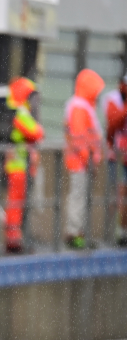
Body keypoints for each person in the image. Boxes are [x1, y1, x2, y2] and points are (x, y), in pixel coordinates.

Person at [63, 68, 104, 249]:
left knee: (81, 197)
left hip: (84, 162)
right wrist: (89, 159)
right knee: (78, 197)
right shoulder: (79, 106)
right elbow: (79, 137)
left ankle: (79, 233)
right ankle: (74, 234)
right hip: (80, 162)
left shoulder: (82, 105)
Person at [3, 77, 43, 252]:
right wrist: (40, 130)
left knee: (20, 203)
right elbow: (35, 132)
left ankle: (18, 239)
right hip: (18, 167)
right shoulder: (20, 113)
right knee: (16, 203)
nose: (33, 101)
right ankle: (13, 241)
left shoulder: (18, 112)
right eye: (30, 96)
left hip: (21, 166)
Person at [103, 73, 127, 245]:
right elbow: (113, 123)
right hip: (117, 157)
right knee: (116, 195)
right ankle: (113, 233)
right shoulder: (112, 99)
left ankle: (122, 232)